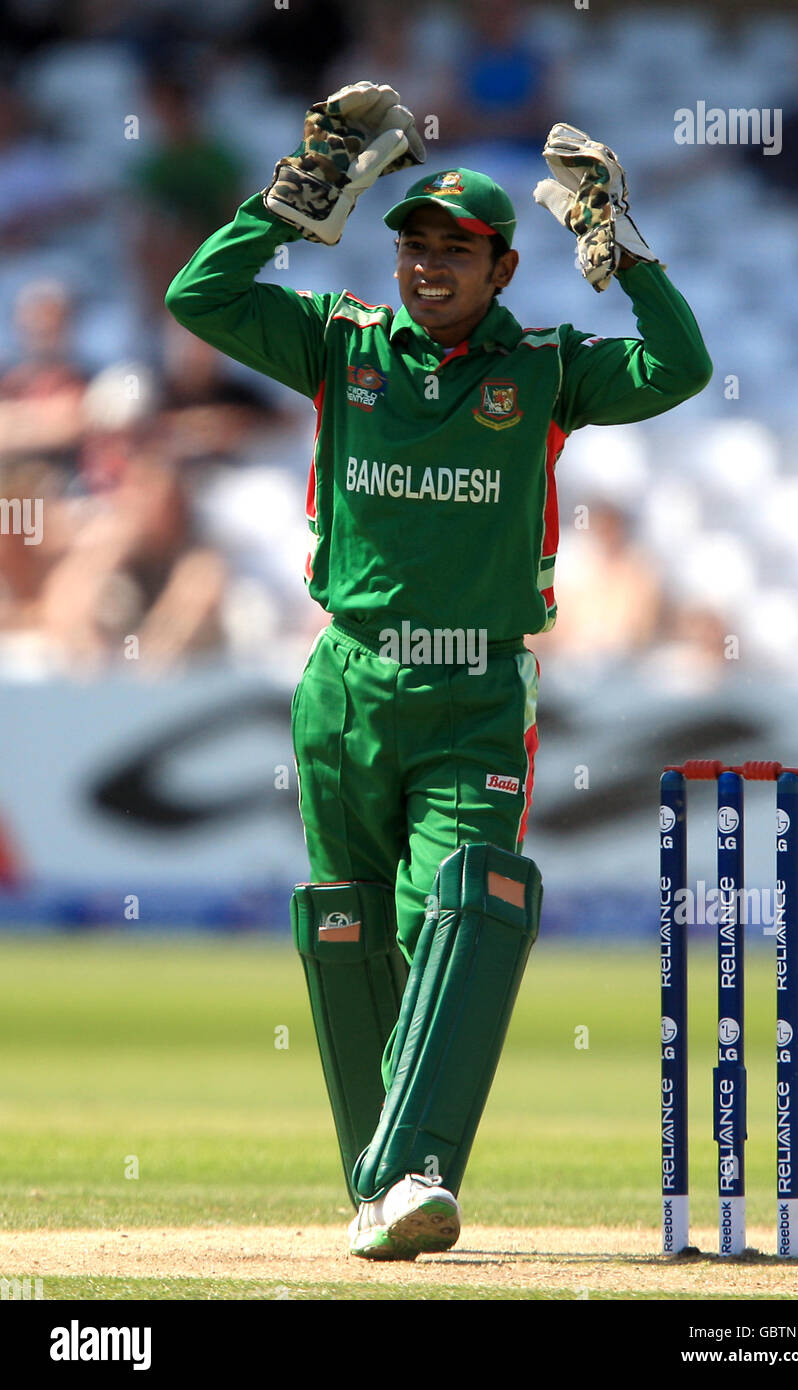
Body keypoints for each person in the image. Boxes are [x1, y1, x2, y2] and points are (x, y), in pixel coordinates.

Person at [165, 83, 712, 1261]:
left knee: (462, 909)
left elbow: (678, 368)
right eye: (413, 245)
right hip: (346, 683)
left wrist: (625, 260)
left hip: (473, 689)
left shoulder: (546, 370)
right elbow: (196, 296)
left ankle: (411, 1169)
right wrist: (294, 205)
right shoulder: (338, 344)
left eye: (455, 251)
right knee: (349, 930)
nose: (426, 267)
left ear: (502, 270)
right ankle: (386, 1191)